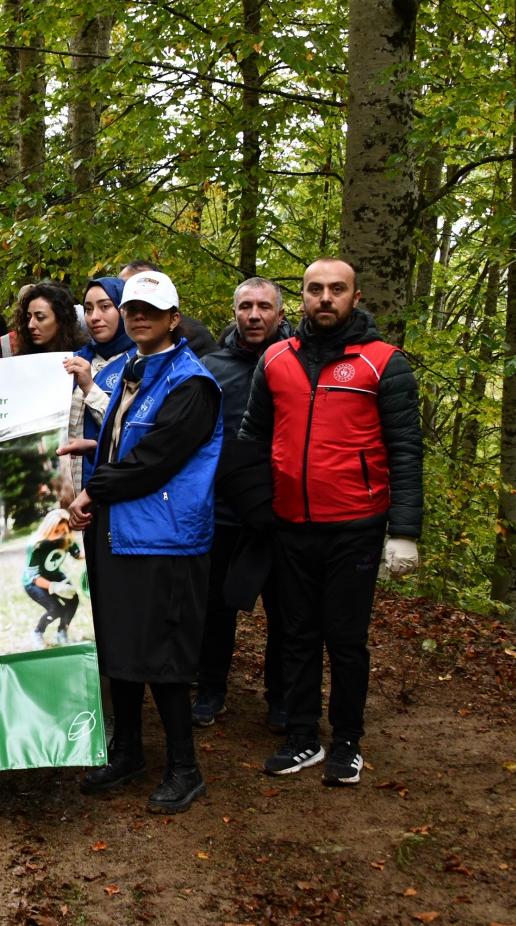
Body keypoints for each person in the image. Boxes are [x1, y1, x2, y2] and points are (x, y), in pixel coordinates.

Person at [240, 258, 422, 787]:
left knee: (345, 638)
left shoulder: (384, 363)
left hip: (356, 526)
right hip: (290, 525)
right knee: (294, 634)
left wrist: (404, 532)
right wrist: (258, 509)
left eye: (336, 290)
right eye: (315, 289)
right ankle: (301, 736)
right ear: (301, 297)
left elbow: (406, 450)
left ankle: (347, 740)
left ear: (355, 296)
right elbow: (252, 441)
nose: (325, 298)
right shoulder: (275, 359)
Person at [63, 270, 223, 814]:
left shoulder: (191, 382)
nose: (137, 318)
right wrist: (97, 445)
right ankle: (127, 751)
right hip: (120, 533)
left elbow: (155, 460)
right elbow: (125, 439)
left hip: (165, 540)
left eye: (150, 311)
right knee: (119, 646)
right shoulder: (134, 369)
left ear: (174, 320)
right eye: (132, 309)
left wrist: (92, 492)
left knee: (165, 656)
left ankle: (185, 767)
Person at [194, 277, 293, 731]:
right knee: (215, 610)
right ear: (234, 313)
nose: (255, 315)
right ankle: (211, 690)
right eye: (246, 307)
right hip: (222, 511)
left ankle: (282, 698)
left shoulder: (300, 362)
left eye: (264, 307)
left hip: (284, 512)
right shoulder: (210, 365)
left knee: (287, 612)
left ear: (280, 312)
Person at [65, 277, 135, 485]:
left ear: (124, 311)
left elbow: (131, 432)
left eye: (105, 307)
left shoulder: (139, 363)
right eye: (88, 309)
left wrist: (89, 387)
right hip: (70, 486)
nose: (94, 317)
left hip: (110, 486)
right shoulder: (77, 358)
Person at [119, 260, 216, 356]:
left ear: (174, 319)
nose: (139, 316)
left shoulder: (193, 336)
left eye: (151, 307)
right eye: (132, 308)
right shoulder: (123, 365)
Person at [23, 509, 84, 648]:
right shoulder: (36, 546)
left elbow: (77, 554)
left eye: (64, 530)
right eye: (56, 531)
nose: (60, 534)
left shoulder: (65, 539)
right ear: (47, 529)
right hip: (35, 583)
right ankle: (37, 632)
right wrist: (54, 586)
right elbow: (33, 576)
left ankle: (62, 631)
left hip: (55, 575)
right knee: (55, 608)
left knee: (73, 600)